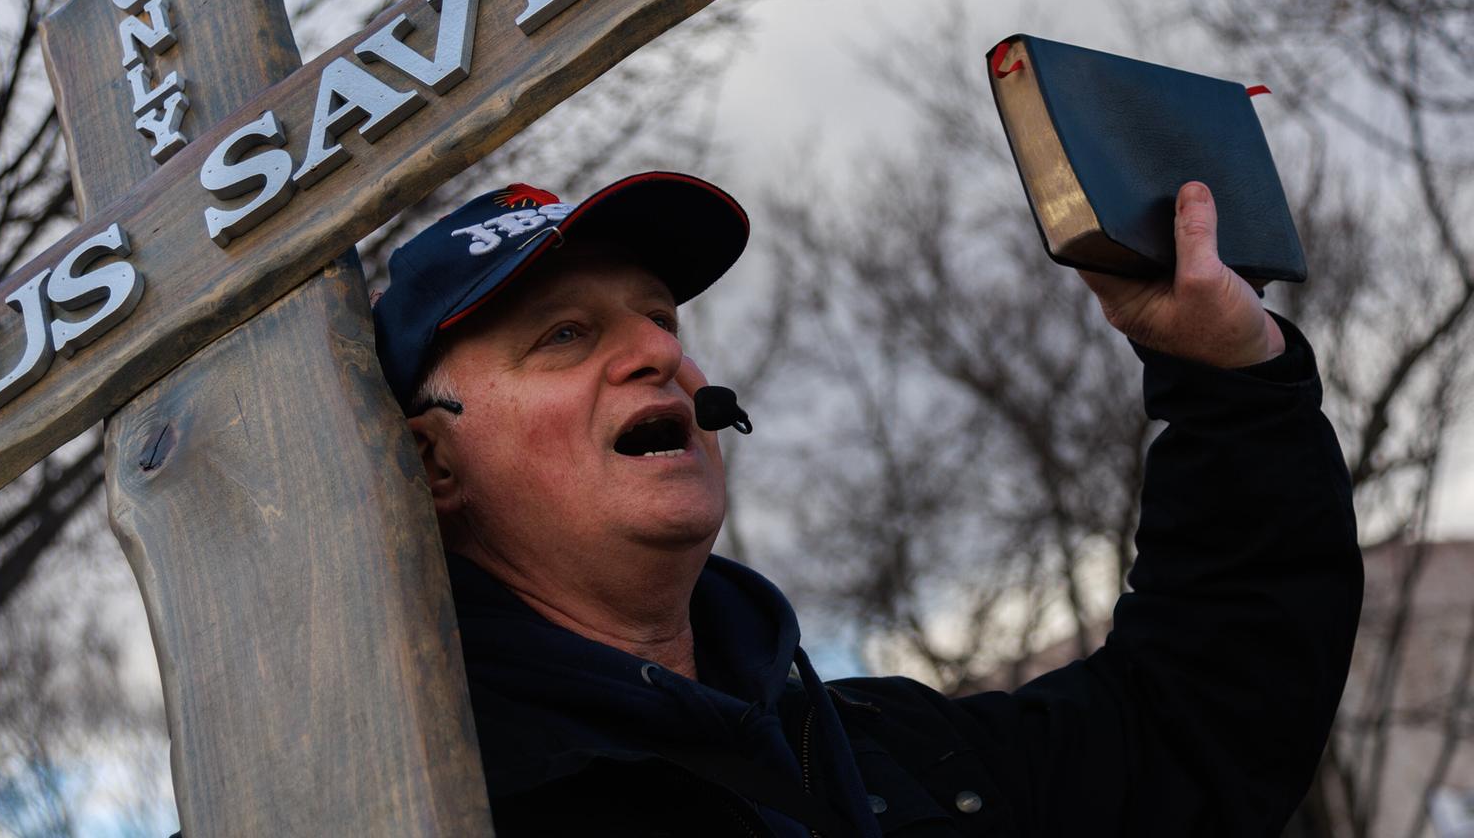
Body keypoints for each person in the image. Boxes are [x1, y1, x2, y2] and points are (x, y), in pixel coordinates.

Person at [370, 172, 1362, 838]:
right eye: (565, 336)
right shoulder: (413, 802)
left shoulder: (891, 757)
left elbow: (1193, 725)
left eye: (664, 321)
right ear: (432, 464)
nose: (662, 356)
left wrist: (1230, 381)